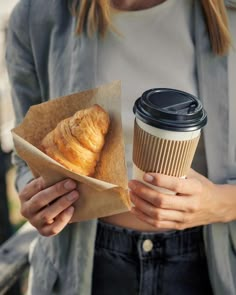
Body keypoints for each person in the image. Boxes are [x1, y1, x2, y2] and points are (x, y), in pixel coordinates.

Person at [5, 0, 236, 294]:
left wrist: (220, 204)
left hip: (208, 264)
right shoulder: (36, 15)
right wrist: (38, 200)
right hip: (85, 266)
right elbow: (27, 154)